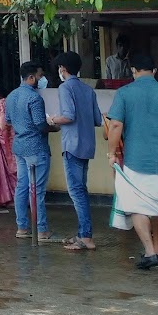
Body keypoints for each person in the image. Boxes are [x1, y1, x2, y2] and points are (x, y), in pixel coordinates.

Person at [106, 51, 158, 269]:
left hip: (135, 161)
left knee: (136, 206)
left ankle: (149, 251)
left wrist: (111, 153)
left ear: (133, 71)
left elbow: (115, 125)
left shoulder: (124, 93)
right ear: (155, 71)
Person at [48, 52, 103, 251]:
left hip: (72, 144)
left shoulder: (65, 88)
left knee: (76, 191)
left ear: (62, 68)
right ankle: (82, 233)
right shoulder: (88, 90)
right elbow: (97, 120)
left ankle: (86, 237)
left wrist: (53, 119)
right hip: (87, 145)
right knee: (81, 190)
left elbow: (68, 116)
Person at [4, 62, 56, 241]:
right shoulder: (35, 98)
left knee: (22, 186)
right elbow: (41, 124)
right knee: (37, 190)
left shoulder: (11, 96)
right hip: (36, 147)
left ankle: (22, 228)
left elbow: (8, 120)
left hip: (19, 146)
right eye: (40, 76)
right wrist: (54, 126)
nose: (42, 79)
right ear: (32, 77)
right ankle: (41, 230)